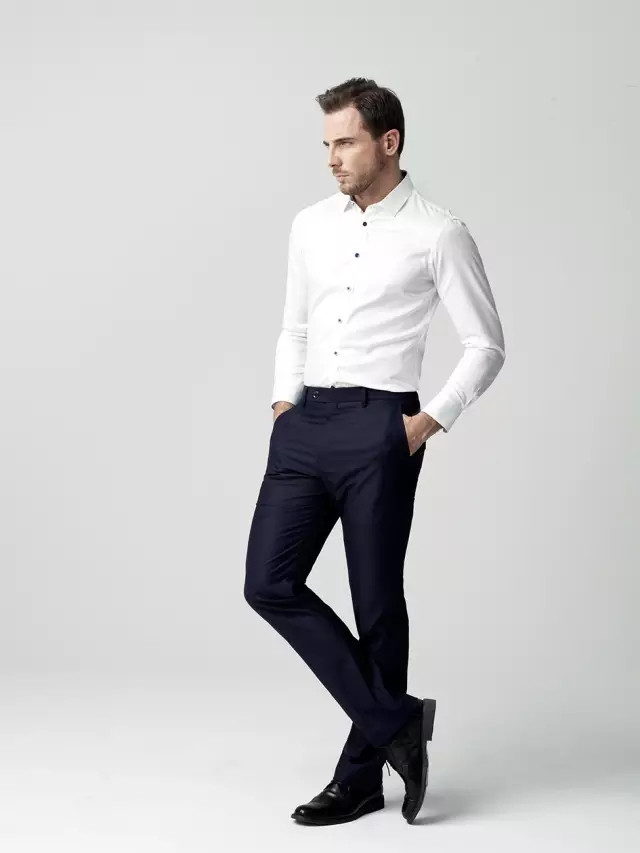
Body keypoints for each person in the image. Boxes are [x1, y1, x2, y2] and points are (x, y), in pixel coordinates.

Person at [244, 77, 506, 826]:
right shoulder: (309, 225)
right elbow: (295, 326)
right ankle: (397, 721)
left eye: (346, 142)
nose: (332, 157)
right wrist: (283, 405)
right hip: (307, 422)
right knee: (268, 582)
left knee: (377, 602)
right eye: (326, 143)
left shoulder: (438, 232)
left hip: (381, 426)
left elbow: (486, 344)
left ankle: (360, 777)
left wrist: (424, 424)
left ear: (388, 142)